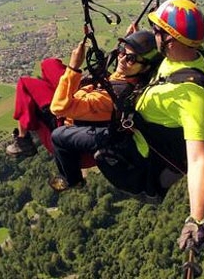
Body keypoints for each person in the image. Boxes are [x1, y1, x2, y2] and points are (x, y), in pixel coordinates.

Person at [96, 0, 204, 253]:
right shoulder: (186, 56)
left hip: (143, 157)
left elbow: (198, 159)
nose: (153, 35)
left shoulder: (191, 95)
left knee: (88, 145)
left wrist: (197, 219)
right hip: (142, 132)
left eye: (156, 32)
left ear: (170, 39)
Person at [47, 30, 160, 192]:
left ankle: (73, 180)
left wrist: (73, 67)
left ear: (145, 67)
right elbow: (125, 64)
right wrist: (131, 37)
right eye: (122, 51)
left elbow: (58, 108)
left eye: (131, 58)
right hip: (111, 119)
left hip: (111, 136)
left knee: (58, 136)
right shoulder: (129, 76)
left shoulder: (113, 94)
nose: (122, 58)